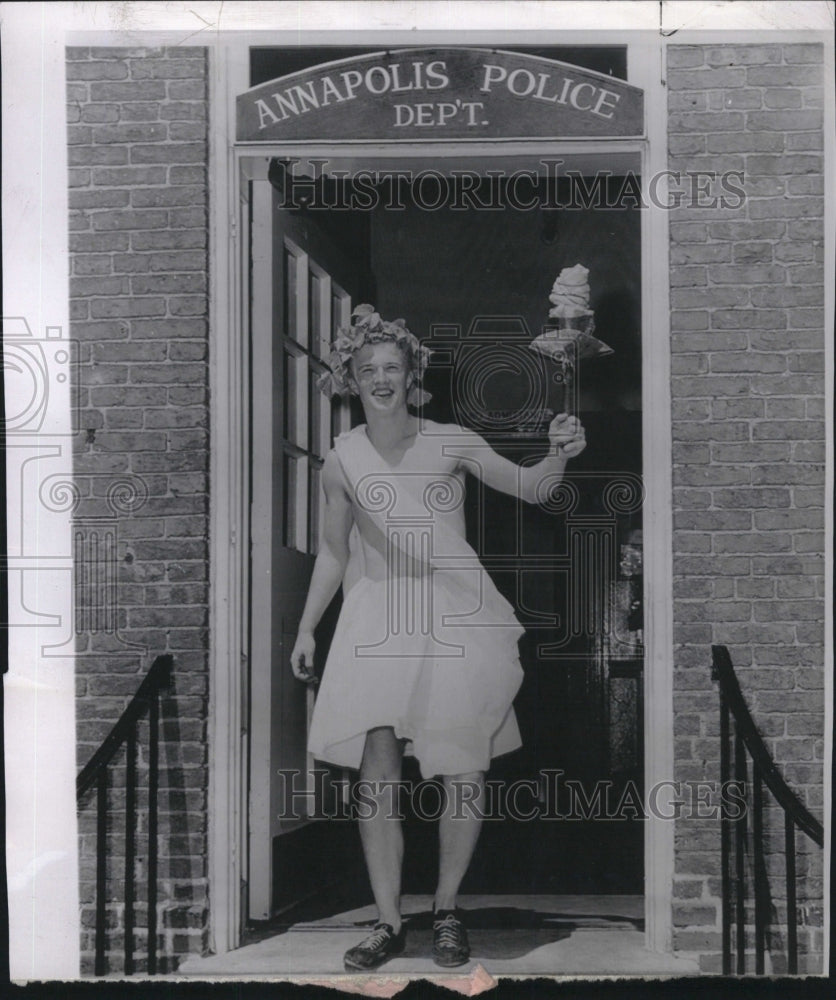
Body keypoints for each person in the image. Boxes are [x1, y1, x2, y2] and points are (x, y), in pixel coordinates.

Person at [290, 305, 586, 971]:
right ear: (350, 379)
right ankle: (388, 921)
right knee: (378, 772)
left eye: (393, 367)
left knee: (461, 764)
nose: (382, 379)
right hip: (376, 618)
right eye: (368, 370)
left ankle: (447, 909)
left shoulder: (451, 441)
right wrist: (308, 627)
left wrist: (558, 451)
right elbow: (334, 556)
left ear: (411, 374)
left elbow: (534, 489)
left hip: (453, 617)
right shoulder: (342, 463)